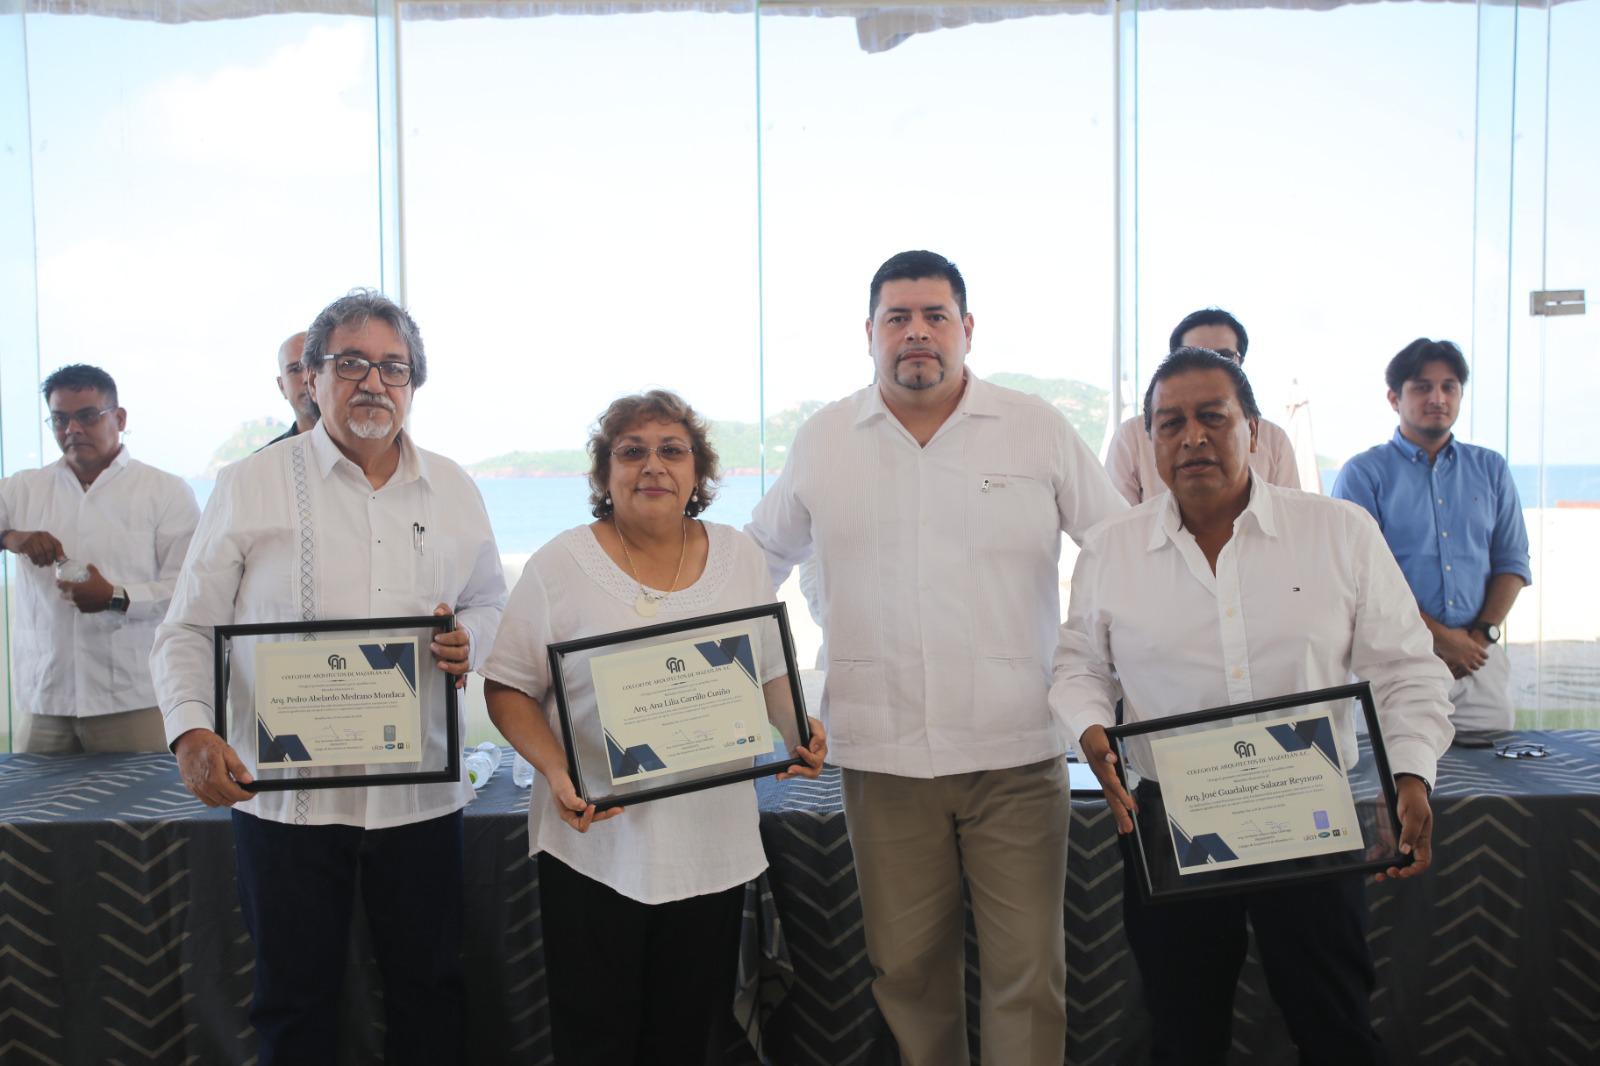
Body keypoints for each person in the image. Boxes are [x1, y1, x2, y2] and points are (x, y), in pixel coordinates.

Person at [745, 250, 1126, 1066]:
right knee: (907, 973)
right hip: (880, 760)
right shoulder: (825, 439)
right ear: (870, 334)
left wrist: (1090, 676)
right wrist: (766, 703)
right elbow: (748, 570)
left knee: (1028, 974)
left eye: (934, 316)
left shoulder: (1034, 428)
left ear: (967, 328)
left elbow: (1122, 553)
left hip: (1016, 755)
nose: (916, 332)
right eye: (898, 318)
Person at [1053, 348, 1454, 1066]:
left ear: (1256, 430)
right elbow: (1079, 664)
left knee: (1334, 1022)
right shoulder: (1110, 550)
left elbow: (1405, 670)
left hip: (1312, 819)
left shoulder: (1339, 533)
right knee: (1183, 1028)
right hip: (1170, 824)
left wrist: (1413, 774)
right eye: (1170, 423)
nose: (1193, 437)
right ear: (1150, 441)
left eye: (1214, 417)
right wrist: (1089, 729)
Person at [150, 290, 506, 1065]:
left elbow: (491, 600)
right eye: (350, 364)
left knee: (431, 989)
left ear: (414, 384)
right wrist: (190, 728)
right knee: (294, 1001)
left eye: (393, 367)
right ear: (311, 378)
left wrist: (471, 637)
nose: (373, 382)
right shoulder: (251, 484)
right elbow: (188, 626)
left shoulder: (454, 487)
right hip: (286, 802)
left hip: (419, 795)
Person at [480, 390, 826, 1065]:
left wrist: (796, 732)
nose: (652, 466)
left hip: (709, 843)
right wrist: (556, 773)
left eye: (672, 450)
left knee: (684, 1036)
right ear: (604, 475)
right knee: (594, 1038)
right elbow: (508, 687)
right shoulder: (559, 564)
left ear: (698, 473)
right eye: (631, 451)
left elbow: (768, 673)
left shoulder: (739, 557)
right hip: (597, 846)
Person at [1332, 338, 1531, 734]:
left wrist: (1480, 636)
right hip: (1394, 662)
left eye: (1449, 386)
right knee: (1391, 789)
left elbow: (1512, 562)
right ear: (1394, 397)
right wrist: (1440, 639)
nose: (1437, 397)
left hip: (1479, 664)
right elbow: (1358, 580)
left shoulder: (1491, 469)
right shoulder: (1363, 474)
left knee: (1492, 789)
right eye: (1422, 386)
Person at [0, 364, 199, 753]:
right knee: (32, 814)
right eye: (60, 419)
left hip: (132, 700)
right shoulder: (23, 489)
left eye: (87, 416)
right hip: (45, 702)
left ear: (119, 418)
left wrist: (115, 595)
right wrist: (12, 537)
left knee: (144, 813)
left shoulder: (165, 492)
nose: (72, 429)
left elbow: (189, 591)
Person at [1105, 307, 1302, 504]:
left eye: (1223, 357)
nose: (1207, 368)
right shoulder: (1132, 436)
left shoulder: (1274, 441)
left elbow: (1289, 516)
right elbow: (1118, 521)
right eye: (1193, 355)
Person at [262, 331, 317, 448]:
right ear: (281, 386)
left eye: (314, 365)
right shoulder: (266, 462)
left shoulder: (363, 448)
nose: (307, 378)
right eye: (295, 369)